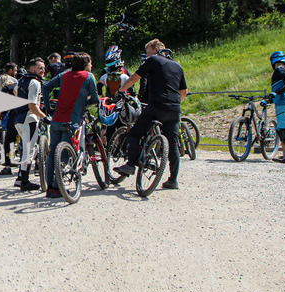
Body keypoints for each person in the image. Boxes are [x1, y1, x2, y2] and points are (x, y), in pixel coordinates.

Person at [113, 39, 187, 189]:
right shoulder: (177, 65)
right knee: (173, 144)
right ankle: (173, 180)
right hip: (174, 109)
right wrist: (174, 104)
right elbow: (183, 92)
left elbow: (135, 77)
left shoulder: (154, 60)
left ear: (156, 49)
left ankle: (131, 164)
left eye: (148, 52)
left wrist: (120, 91)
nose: (147, 56)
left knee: (134, 133)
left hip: (157, 105)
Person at [42, 52, 100, 198]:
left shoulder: (64, 75)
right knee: (65, 155)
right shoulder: (88, 76)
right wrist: (82, 103)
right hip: (72, 121)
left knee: (53, 153)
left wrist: (48, 107)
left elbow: (46, 87)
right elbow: (95, 99)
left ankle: (50, 187)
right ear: (86, 64)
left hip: (56, 119)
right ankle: (57, 188)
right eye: (90, 63)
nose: (91, 66)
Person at [11, 58, 48, 192]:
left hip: (18, 120)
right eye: (40, 68)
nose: (43, 70)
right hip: (29, 119)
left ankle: (20, 178)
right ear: (32, 69)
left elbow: (15, 92)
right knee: (29, 151)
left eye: (43, 67)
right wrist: (44, 117)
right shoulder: (35, 83)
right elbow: (32, 106)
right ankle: (25, 182)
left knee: (25, 150)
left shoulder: (21, 80)